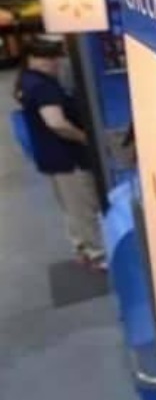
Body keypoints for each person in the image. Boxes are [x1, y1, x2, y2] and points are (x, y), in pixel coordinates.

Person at [14, 36, 106, 269]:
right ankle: (96, 253)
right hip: (68, 157)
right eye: (49, 59)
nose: (54, 64)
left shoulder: (27, 80)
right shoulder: (44, 86)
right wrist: (87, 139)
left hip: (52, 156)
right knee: (83, 206)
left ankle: (83, 248)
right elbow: (56, 123)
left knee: (72, 206)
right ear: (33, 58)